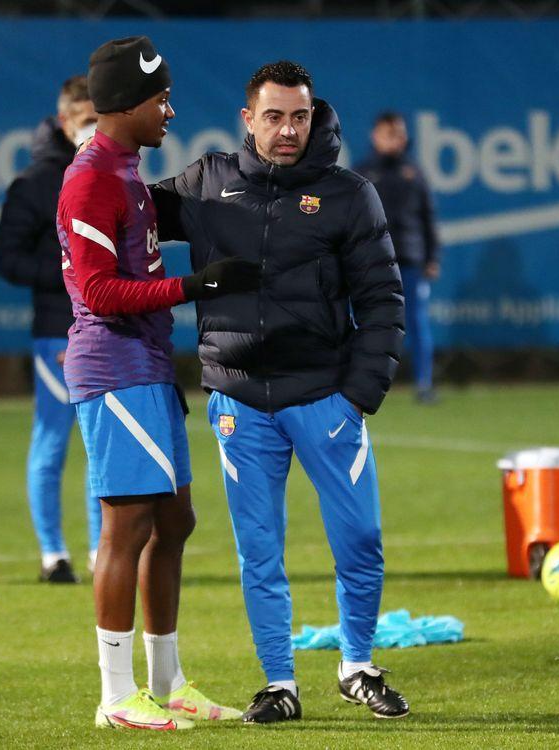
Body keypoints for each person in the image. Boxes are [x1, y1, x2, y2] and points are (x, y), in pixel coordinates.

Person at [151, 61, 409, 723]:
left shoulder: (349, 194)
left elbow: (383, 299)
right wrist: (86, 164)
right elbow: (126, 210)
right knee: (258, 550)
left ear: (313, 115)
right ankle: (280, 683)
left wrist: (358, 395)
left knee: (360, 538)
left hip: (326, 398)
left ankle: (357, 666)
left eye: (300, 115)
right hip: (240, 402)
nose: (288, 129)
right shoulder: (208, 182)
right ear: (248, 119)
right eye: (274, 116)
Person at [57, 36, 257, 731]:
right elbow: (97, 290)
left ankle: (167, 683)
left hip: (145, 363)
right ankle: (116, 697)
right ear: (127, 104)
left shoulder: (126, 168)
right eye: (160, 99)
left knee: (174, 519)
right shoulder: (89, 177)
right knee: (127, 526)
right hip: (113, 367)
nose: (170, 110)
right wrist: (191, 286)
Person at [0, 76, 101, 584]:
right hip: (59, 329)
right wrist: (67, 271)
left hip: (106, 327)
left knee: (103, 443)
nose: (93, 127)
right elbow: (6, 257)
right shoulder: (36, 184)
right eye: (84, 119)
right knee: (54, 440)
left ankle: (105, 551)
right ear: (64, 121)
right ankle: (53, 554)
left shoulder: (115, 174)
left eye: (99, 117)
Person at [355, 111, 440, 403]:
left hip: (410, 259)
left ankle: (424, 385)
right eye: (389, 133)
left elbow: (428, 218)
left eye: (399, 133)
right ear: (375, 136)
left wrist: (432, 256)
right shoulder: (362, 172)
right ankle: (363, 384)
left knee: (416, 322)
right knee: (368, 323)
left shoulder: (414, 172)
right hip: (372, 261)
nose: (396, 139)